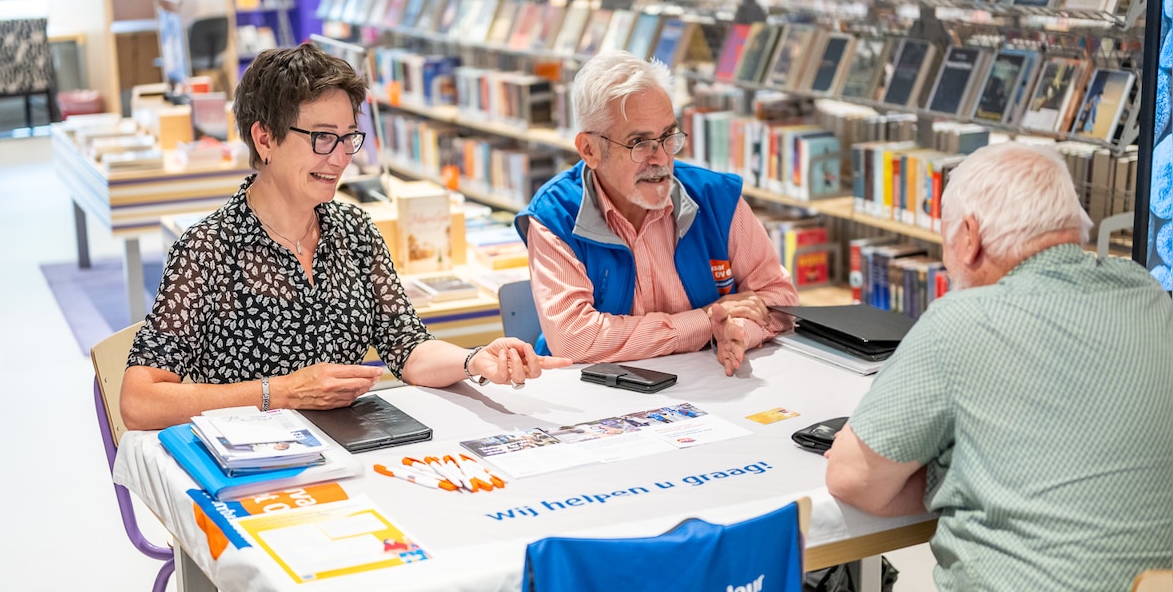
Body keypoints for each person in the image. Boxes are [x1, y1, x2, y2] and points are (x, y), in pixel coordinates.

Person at [120, 44, 571, 431]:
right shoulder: (207, 249)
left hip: (351, 452)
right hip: (252, 466)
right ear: (265, 139)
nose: (339, 159)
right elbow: (140, 402)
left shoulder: (354, 232)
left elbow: (408, 347)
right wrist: (281, 392)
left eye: (348, 138)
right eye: (321, 138)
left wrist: (473, 361)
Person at [825, 142, 1173, 592]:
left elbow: (853, 478)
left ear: (969, 237)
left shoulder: (961, 322)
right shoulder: (1149, 297)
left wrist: (950, 473)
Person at [515, 50, 798, 376]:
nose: (660, 158)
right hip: (591, 396)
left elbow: (780, 299)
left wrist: (737, 331)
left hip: (708, 385)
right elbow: (575, 339)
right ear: (590, 150)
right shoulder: (556, 215)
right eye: (639, 142)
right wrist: (703, 321)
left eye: (667, 137)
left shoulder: (716, 198)